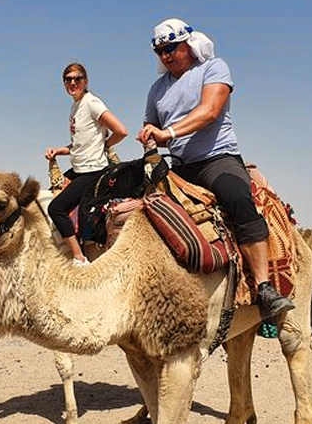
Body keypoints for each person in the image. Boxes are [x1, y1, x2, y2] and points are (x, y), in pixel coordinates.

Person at [136, 18, 294, 321]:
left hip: (216, 158)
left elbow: (209, 111)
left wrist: (168, 133)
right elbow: (152, 125)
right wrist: (149, 134)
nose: (165, 55)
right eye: (159, 51)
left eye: (171, 48)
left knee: (237, 199)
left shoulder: (213, 68)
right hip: (178, 165)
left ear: (188, 44)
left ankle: (264, 288)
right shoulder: (157, 89)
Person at [45, 63, 128, 265]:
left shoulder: (92, 103)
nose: (73, 82)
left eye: (78, 78)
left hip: (92, 170)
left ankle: (79, 257)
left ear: (86, 81)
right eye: (68, 79)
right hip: (79, 168)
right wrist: (59, 151)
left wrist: (105, 145)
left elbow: (121, 131)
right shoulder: (75, 107)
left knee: (56, 208)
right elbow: (79, 144)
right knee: (52, 191)